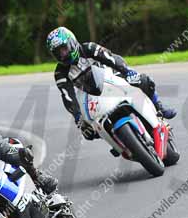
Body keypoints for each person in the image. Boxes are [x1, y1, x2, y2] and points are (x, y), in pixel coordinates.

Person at [46, 27, 177, 141]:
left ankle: (159, 108)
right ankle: (116, 139)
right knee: (88, 133)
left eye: (64, 49)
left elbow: (112, 58)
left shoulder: (89, 48)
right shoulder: (60, 73)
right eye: (58, 53)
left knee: (145, 81)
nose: (62, 54)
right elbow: (67, 96)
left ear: (72, 42)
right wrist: (78, 117)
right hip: (91, 97)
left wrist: (127, 72)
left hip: (111, 79)